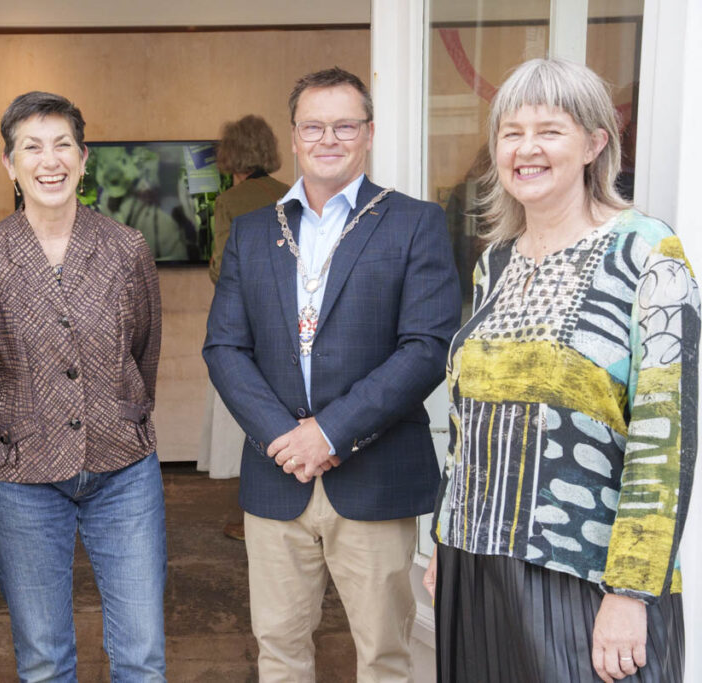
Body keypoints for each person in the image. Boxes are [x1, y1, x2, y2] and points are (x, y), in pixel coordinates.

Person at [423, 58, 697, 683]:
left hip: (585, 573)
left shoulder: (648, 253)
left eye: (550, 130)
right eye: (511, 133)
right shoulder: (495, 263)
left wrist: (631, 594)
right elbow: (467, 424)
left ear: (595, 144)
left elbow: (664, 442)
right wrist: (444, 536)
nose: (527, 149)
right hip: (475, 560)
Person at [203, 67, 461, 682]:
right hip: (277, 478)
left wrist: (330, 432)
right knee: (279, 652)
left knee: (385, 656)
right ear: (294, 137)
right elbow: (224, 347)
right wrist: (285, 438)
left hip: (374, 478)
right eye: (313, 126)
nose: (328, 139)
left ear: (368, 133)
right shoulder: (254, 231)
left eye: (344, 126)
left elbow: (426, 348)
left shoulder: (414, 222)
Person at [0, 91, 166, 682]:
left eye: (63, 144)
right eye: (32, 147)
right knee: (44, 658)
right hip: (21, 473)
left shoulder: (126, 248)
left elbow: (143, 349)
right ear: (9, 163)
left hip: (124, 468)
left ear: (84, 157)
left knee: (142, 654)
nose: (50, 161)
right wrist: (11, 423)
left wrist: (120, 409)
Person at [198, 114, 289, 541]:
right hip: (292, 323)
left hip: (245, 327)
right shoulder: (291, 193)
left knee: (244, 415)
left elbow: (221, 270)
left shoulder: (230, 202)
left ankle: (253, 514)